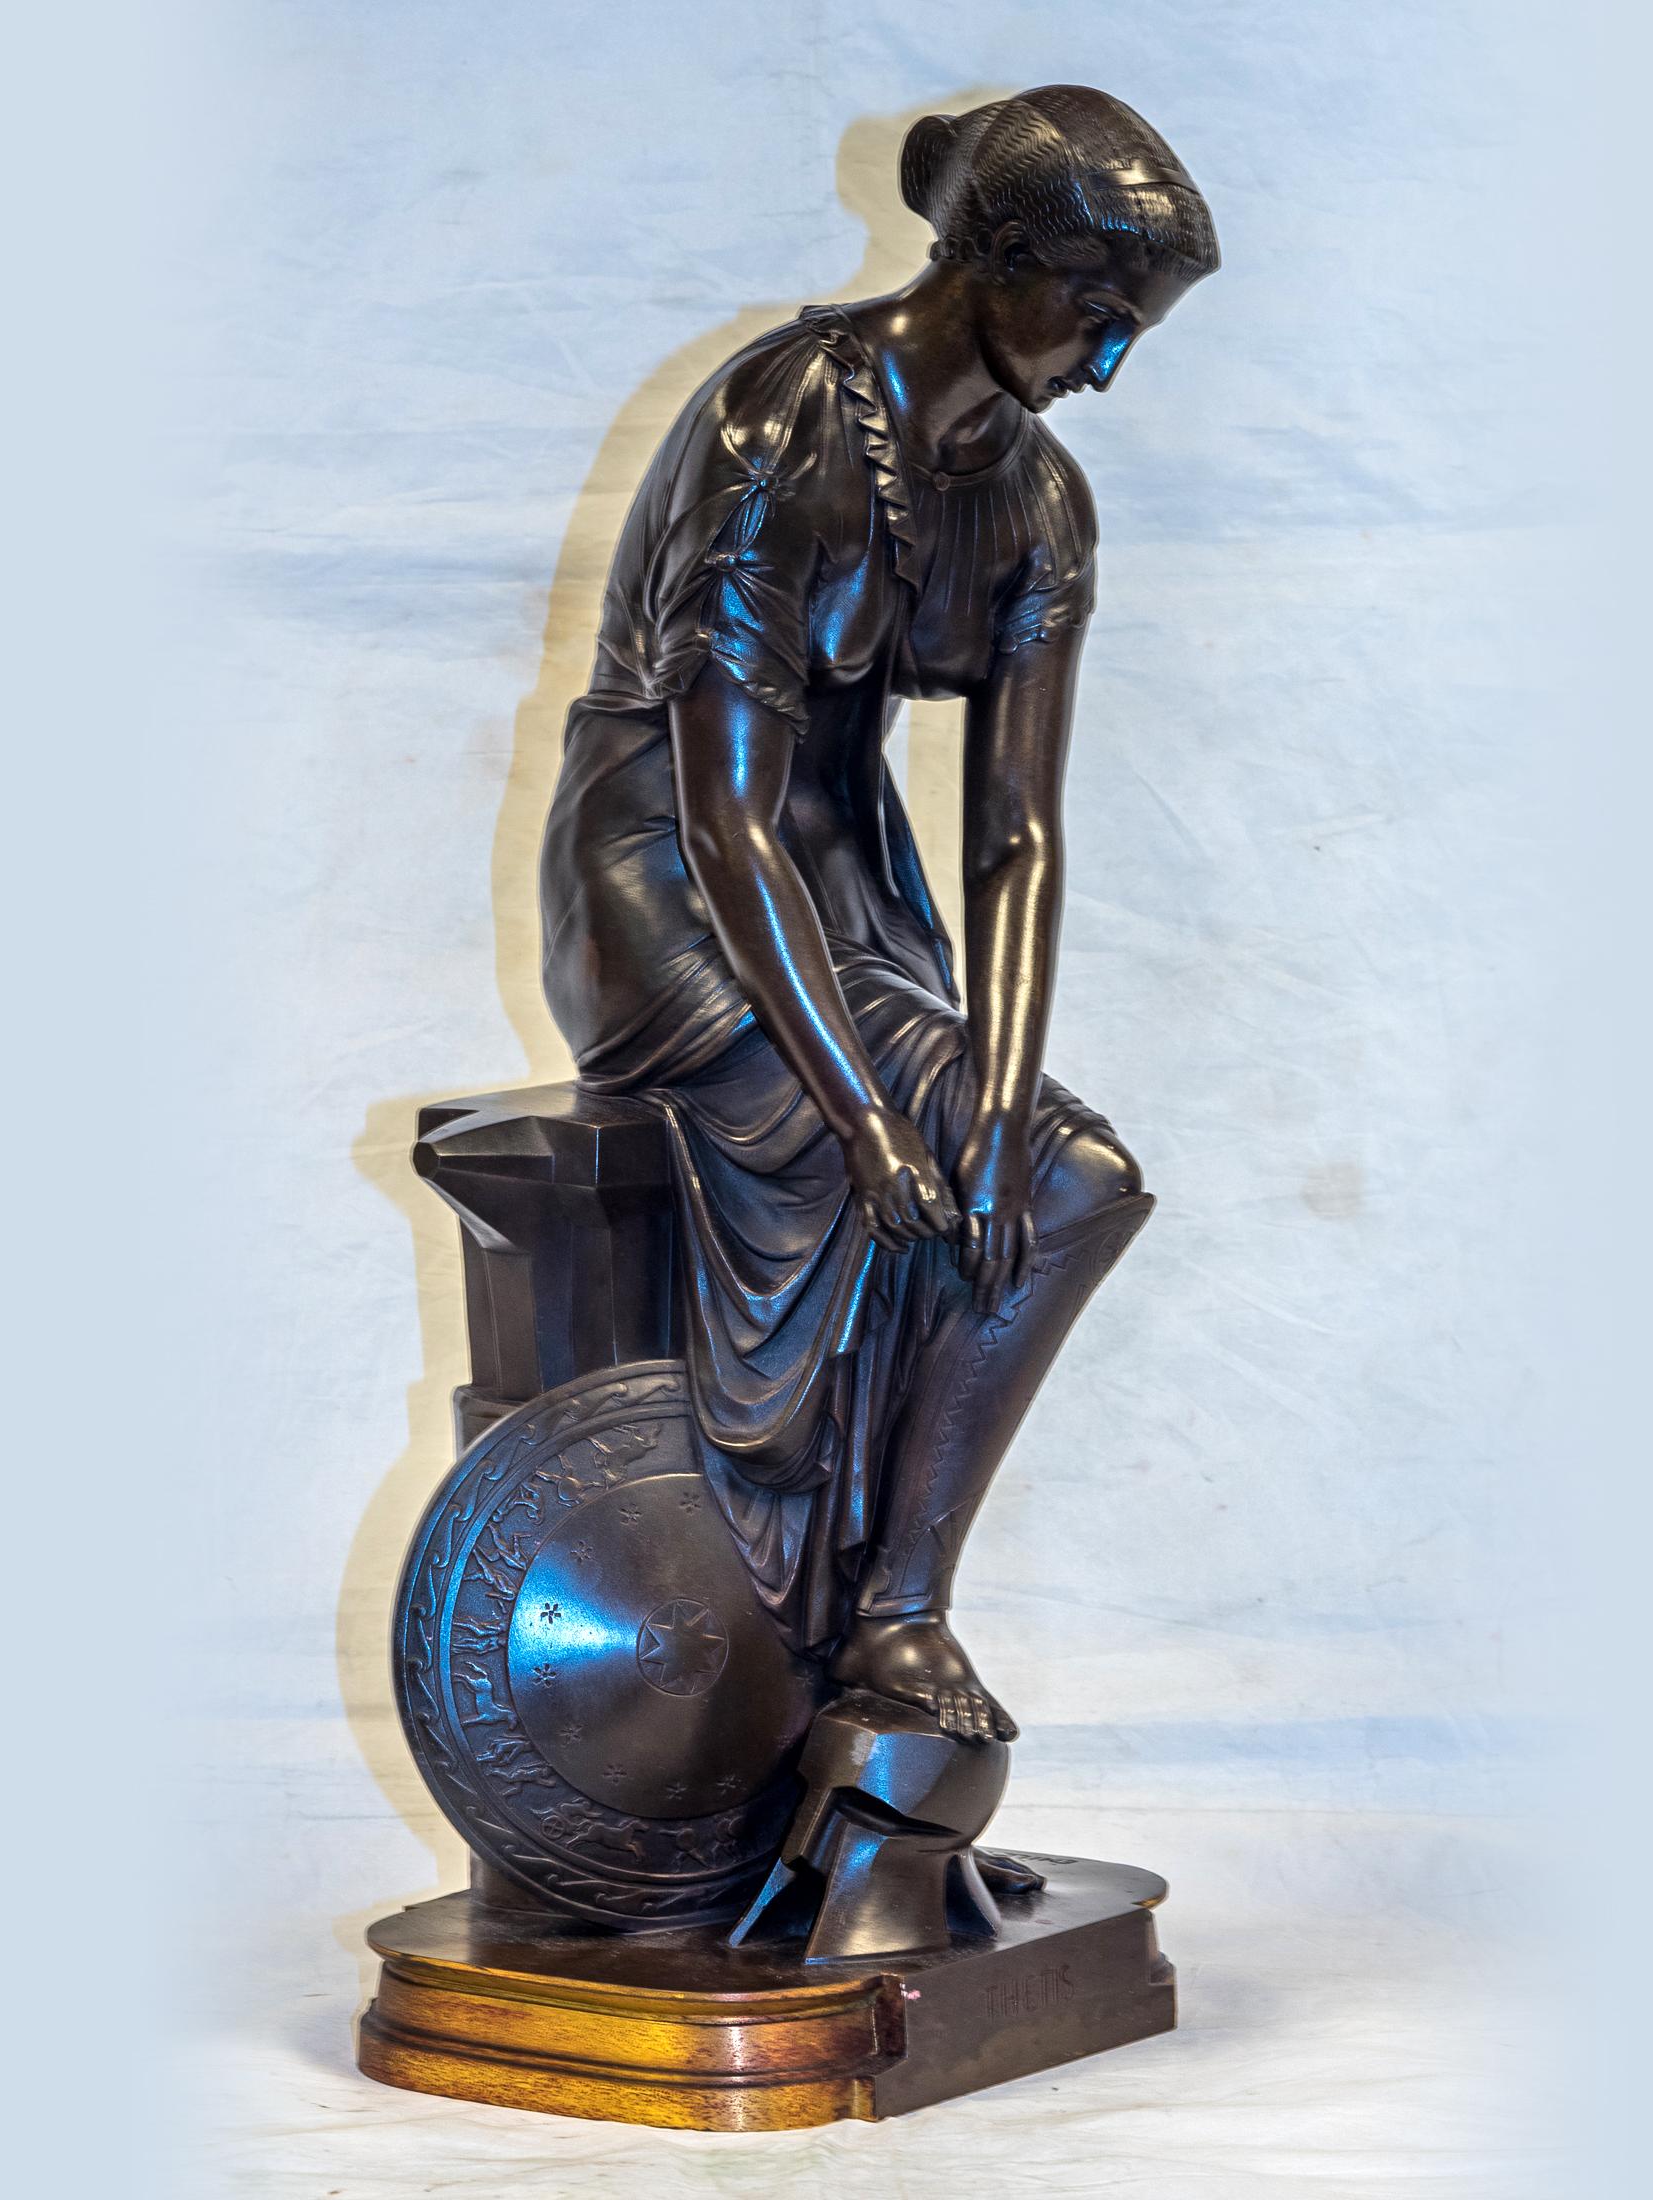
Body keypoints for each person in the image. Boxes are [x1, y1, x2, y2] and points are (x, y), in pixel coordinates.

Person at [540, 86, 1217, 1740]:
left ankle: (901, 1607)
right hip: (664, 880)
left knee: (1064, 1180)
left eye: (1134, 334)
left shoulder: (1040, 501)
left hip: (841, 884)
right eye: (1097, 314)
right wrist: (867, 1117)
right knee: (902, 1171)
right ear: (996, 256)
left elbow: (1019, 838)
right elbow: (723, 811)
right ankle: (846, 1620)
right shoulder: (776, 428)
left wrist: (991, 1107)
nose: (1106, 368)